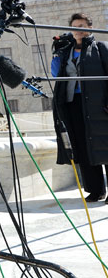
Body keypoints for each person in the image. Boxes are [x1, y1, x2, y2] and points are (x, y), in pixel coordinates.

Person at [52, 13, 108, 202]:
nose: (78, 30)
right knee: (83, 147)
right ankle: (95, 190)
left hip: (98, 104)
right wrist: (56, 55)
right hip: (73, 103)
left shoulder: (100, 48)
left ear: (90, 28)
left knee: (105, 144)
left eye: (82, 26)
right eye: (74, 26)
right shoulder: (66, 51)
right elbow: (56, 75)